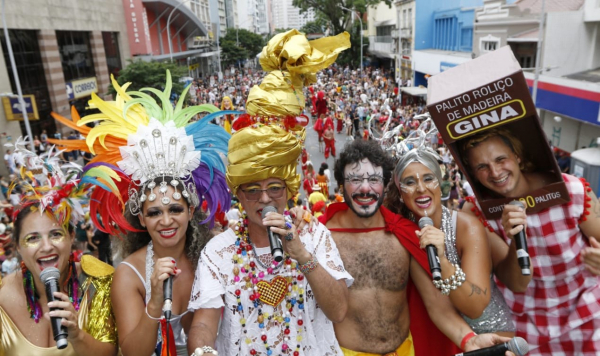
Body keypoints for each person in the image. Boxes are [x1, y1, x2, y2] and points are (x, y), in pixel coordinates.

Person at [187, 29, 352, 356]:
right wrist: (202, 349)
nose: (264, 199)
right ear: (238, 194)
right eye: (252, 189)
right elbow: (204, 323)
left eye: (274, 187)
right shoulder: (219, 251)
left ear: (289, 189)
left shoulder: (314, 235)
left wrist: (302, 254)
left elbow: (338, 311)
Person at [51, 72, 233, 356]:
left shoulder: (213, 255)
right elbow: (134, 352)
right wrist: (155, 302)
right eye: (154, 213)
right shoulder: (129, 274)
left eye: (175, 209)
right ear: (142, 219)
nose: (166, 220)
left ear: (191, 211)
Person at [320, 139, 515, 356]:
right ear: (341, 185)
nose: (365, 188)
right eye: (355, 179)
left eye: (374, 179)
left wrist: (469, 340)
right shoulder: (321, 237)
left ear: (384, 185)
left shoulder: (405, 233)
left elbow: (437, 306)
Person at [459, 127, 600, 355]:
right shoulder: (475, 211)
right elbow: (517, 283)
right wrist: (516, 238)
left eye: (500, 159)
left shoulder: (573, 191)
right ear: (473, 174)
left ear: (517, 156)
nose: (495, 172)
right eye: (482, 167)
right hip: (527, 333)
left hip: (587, 321)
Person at [385, 142, 518, 337]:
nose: (421, 188)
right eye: (410, 182)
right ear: (400, 190)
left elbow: (475, 308)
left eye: (428, 178)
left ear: (440, 182)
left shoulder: (467, 227)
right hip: (438, 339)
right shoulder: (401, 230)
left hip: (490, 340)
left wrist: (443, 263)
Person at [0, 139, 117, 356]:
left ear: (71, 237)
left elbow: (111, 352)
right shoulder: (2, 295)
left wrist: (77, 334)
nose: (46, 247)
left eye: (56, 234)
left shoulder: (97, 282)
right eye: (33, 238)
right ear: (17, 246)